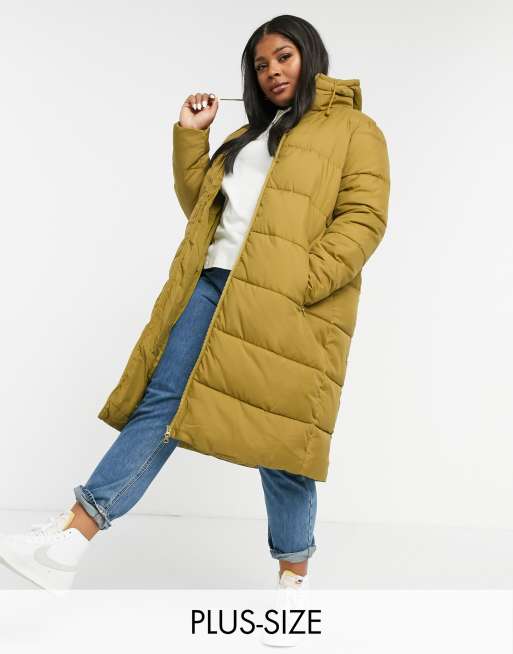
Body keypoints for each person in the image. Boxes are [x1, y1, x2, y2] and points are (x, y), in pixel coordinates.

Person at [1, 17, 389, 646]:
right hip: (212, 287)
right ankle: (72, 538)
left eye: (284, 57)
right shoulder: (247, 134)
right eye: (261, 65)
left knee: (282, 444)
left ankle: (293, 586)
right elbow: (202, 208)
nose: (273, 71)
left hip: (289, 304)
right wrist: (192, 137)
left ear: (309, 56)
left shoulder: (353, 129)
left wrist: (298, 279)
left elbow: (364, 219)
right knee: (162, 406)